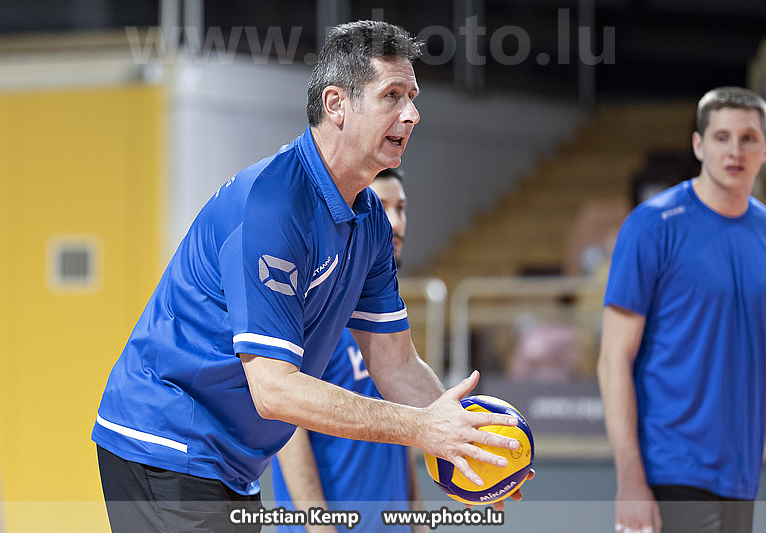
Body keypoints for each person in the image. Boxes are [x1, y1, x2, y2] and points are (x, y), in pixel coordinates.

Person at [92, 20, 523, 533]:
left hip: (230, 461)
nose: (412, 114)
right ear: (336, 104)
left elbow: (396, 363)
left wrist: (474, 445)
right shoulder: (274, 206)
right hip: (163, 439)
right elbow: (275, 390)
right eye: (392, 95)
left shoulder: (369, 221)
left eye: (412, 97)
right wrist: (423, 429)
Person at [597, 86, 766, 533]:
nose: (735, 150)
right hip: (669, 472)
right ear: (698, 145)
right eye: (721, 137)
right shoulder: (652, 225)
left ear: (765, 149)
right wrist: (630, 479)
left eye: (749, 138)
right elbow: (613, 359)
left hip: (743, 477)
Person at [270, 168, 427, 533]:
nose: (395, 222)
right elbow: (288, 434)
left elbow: (401, 434)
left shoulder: (389, 318)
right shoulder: (314, 309)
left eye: (401, 208)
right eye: (382, 206)